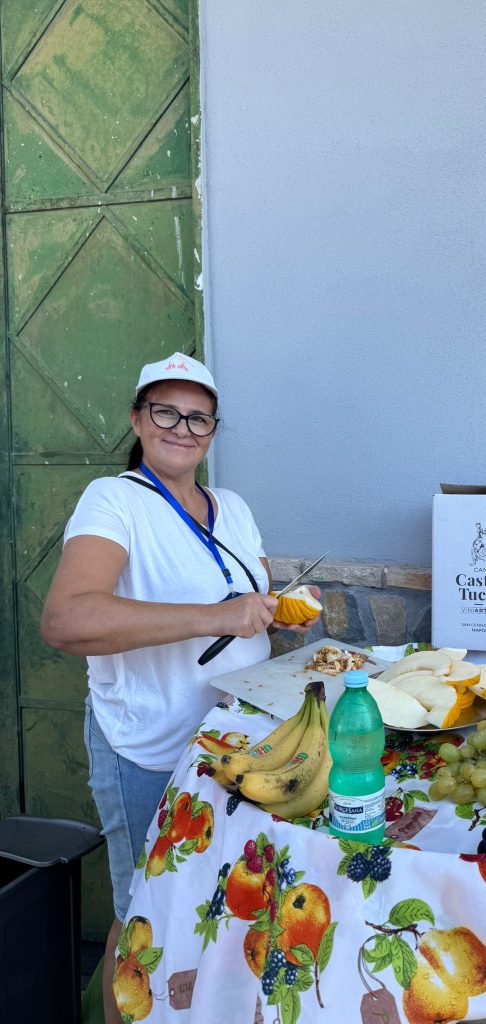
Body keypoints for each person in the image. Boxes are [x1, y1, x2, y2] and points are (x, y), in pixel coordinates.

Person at [40, 352, 320, 1024]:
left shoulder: (233, 508)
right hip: (151, 749)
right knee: (142, 915)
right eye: (165, 411)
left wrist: (280, 609)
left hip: (236, 746)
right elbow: (67, 617)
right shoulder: (114, 501)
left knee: (212, 907)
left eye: (198, 417)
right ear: (138, 419)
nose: (182, 427)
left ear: (213, 431)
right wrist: (219, 615)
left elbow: (251, 603)